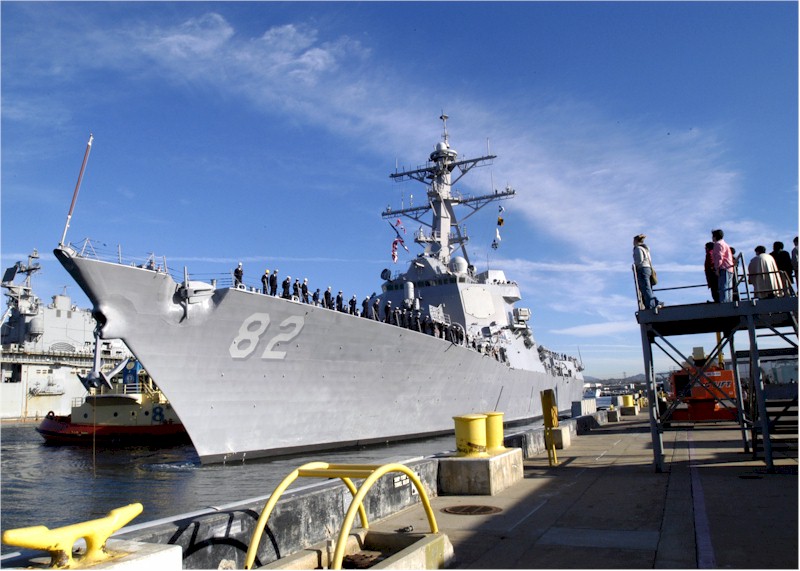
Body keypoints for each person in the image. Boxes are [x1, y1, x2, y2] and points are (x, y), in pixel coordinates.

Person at [632, 234, 661, 310]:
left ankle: (653, 304)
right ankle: (654, 303)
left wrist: (635, 266)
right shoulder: (645, 249)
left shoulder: (638, 248)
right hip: (648, 268)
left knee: (645, 288)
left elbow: (639, 260)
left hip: (642, 269)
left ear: (636, 241)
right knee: (648, 288)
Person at [711, 229, 734, 303]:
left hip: (723, 268)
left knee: (723, 287)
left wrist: (717, 268)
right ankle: (729, 302)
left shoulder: (718, 244)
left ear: (715, 237)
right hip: (729, 268)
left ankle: (724, 303)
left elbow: (719, 257)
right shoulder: (725, 244)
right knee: (728, 288)